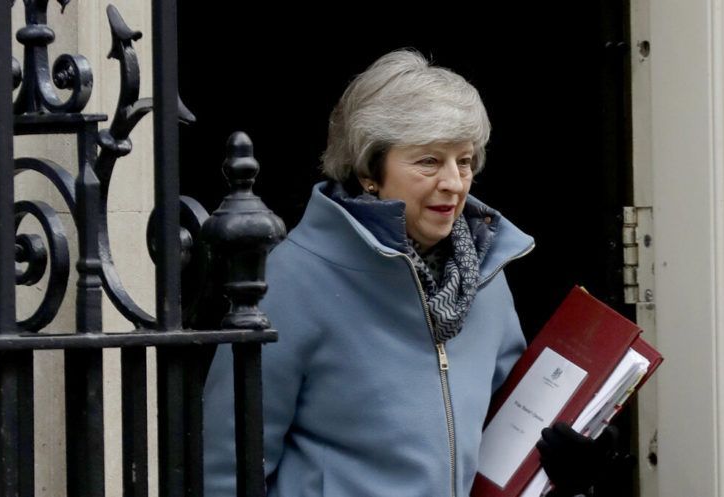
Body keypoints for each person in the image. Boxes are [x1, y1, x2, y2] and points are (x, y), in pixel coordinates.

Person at [203, 49, 625, 497]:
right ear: (370, 170)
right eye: (428, 161)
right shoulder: (293, 279)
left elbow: (508, 433)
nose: (454, 182)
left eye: (464, 161)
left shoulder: (483, 276)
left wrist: (570, 466)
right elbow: (228, 469)